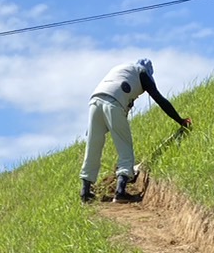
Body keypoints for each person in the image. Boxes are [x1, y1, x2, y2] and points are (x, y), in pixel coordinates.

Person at [80, 58, 191, 204]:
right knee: (125, 149)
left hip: (94, 101)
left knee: (93, 146)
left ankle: (85, 192)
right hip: (114, 103)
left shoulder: (121, 70)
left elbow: (109, 94)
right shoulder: (142, 72)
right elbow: (159, 99)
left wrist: (94, 129)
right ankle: (120, 193)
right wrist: (180, 120)